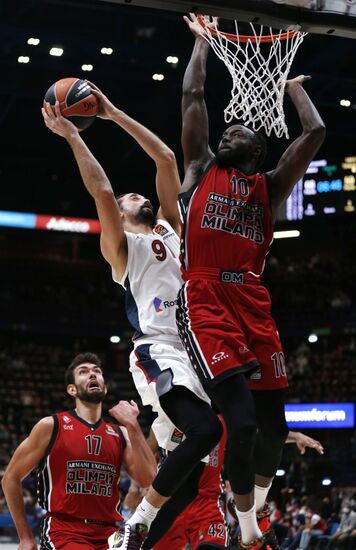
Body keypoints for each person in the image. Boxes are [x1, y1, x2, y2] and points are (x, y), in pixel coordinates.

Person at [42, 88, 222, 550]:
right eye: (127, 197)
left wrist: (112, 112)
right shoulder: (122, 250)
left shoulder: (169, 227)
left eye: (134, 194)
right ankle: (141, 524)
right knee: (203, 435)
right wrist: (71, 135)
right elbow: (101, 190)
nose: (133, 194)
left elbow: (164, 158)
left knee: (201, 465)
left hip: (202, 346)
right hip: (160, 349)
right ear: (119, 216)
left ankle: (142, 534)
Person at [178, 13, 326, 550]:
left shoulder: (270, 185)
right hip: (206, 294)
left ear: (259, 149)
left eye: (240, 130)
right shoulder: (199, 169)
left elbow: (315, 132)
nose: (229, 130)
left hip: (253, 298)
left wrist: (290, 90)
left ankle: (254, 509)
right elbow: (194, 97)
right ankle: (244, 530)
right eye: (228, 129)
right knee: (239, 424)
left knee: (273, 423)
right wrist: (201, 43)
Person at [1, 352, 156, 550]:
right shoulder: (51, 426)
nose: (92, 375)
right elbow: (10, 478)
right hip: (64, 530)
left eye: (97, 372)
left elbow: (149, 480)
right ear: (71, 389)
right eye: (83, 372)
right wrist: (25, 537)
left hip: (109, 533)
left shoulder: (121, 432)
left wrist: (133, 426)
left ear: (105, 387)